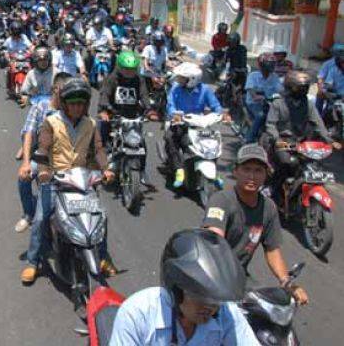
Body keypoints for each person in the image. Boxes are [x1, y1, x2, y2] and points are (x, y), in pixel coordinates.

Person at [20, 78, 117, 283]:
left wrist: (106, 169)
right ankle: (33, 261)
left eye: (81, 103)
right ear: (64, 103)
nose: (77, 107)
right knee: (40, 219)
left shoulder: (91, 124)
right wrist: (45, 171)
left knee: (100, 217)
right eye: (72, 103)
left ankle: (102, 256)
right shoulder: (51, 122)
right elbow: (43, 150)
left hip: (82, 179)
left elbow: (98, 149)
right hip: (56, 180)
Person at [109, 228, 259, 346]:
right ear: (176, 290)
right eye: (201, 297)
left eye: (216, 300)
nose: (211, 307)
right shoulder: (138, 315)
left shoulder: (226, 313)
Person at [203, 144, 309, 305]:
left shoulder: (268, 208)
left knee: (271, 310)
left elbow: (272, 250)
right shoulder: (221, 200)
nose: (252, 176)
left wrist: (287, 283)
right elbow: (214, 240)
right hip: (212, 274)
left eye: (258, 170)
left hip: (240, 278)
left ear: (266, 175)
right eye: (246, 169)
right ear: (235, 171)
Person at [263, 71, 341, 204]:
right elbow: (270, 125)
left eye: (305, 87)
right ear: (290, 87)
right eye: (299, 87)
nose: (303, 90)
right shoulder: (278, 103)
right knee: (287, 162)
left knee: (313, 164)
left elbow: (318, 123)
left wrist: (330, 140)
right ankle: (272, 188)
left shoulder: (308, 104)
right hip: (281, 142)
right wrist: (277, 139)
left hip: (301, 143)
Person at [16, 73, 71, 232]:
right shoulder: (40, 106)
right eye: (63, 92)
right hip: (41, 156)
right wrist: (26, 163)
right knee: (23, 178)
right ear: (55, 90)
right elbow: (29, 133)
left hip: (65, 157)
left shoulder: (73, 108)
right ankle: (28, 213)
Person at [165, 62, 230, 188]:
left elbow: (215, 105)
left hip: (199, 122)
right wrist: (174, 114)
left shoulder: (205, 89)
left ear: (192, 80)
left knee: (213, 141)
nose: (179, 79)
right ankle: (179, 170)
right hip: (181, 121)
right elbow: (170, 105)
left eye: (182, 78)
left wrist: (221, 114)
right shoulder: (175, 88)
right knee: (170, 138)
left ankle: (214, 170)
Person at [98, 51, 153, 147]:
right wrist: (103, 111)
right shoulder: (112, 78)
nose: (129, 72)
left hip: (132, 115)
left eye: (132, 69)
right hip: (113, 113)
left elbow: (144, 94)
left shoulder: (139, 79)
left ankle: (141, 162)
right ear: (119, 67)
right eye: (126, 69)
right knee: (102, 135)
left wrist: (149, 109)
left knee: (141, 144)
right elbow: (105, 94)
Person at [244, 53, 282, 143]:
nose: (270, 67)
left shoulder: (275, 77)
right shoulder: (253, 76)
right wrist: (257, 96)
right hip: (254, 104)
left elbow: (281, 90)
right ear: (262, 65)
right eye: (268, 64)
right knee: (261, 115)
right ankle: (249, 139)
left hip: (271, 104)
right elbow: (252, 93)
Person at [316, 43, 344, 115]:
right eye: (340, 52)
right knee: (321, 97)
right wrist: (321, 89)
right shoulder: (329, 65)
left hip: (341, 94)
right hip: (330, 91)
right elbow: (321, 78)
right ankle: (317, 117)